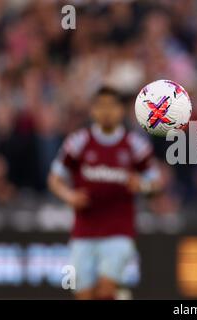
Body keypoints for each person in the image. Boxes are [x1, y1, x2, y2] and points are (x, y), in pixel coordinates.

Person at [48, 86, 160, 300]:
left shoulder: (135, 145)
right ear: (93, 111)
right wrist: (69, 196)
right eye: (101, 106)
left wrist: (143, 186)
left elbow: (156, 184)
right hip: (84, 230)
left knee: (105, 290)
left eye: (112, 106)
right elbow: (54, 179)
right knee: (84, 294)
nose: (106, 111)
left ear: (121, 111)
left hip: (119, 229)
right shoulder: (78, 142)